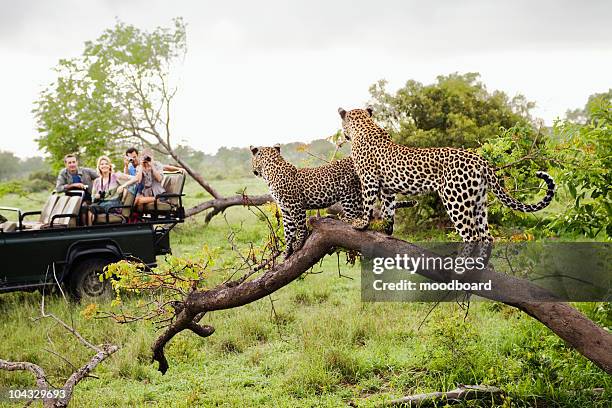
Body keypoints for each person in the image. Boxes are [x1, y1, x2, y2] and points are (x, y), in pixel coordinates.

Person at [88, 156, 138, 225]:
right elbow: (92, 198)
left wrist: (123, 186)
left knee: (96, 208)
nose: (104, 166)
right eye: (102, 164)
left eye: (106, 164)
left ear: (110, 166)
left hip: (113, 204)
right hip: (100, 203)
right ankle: (90, 230)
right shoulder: (96, 181)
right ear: (99, 167)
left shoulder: (116, 176)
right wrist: (96, 196)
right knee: (89, 208)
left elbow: (136, 178)